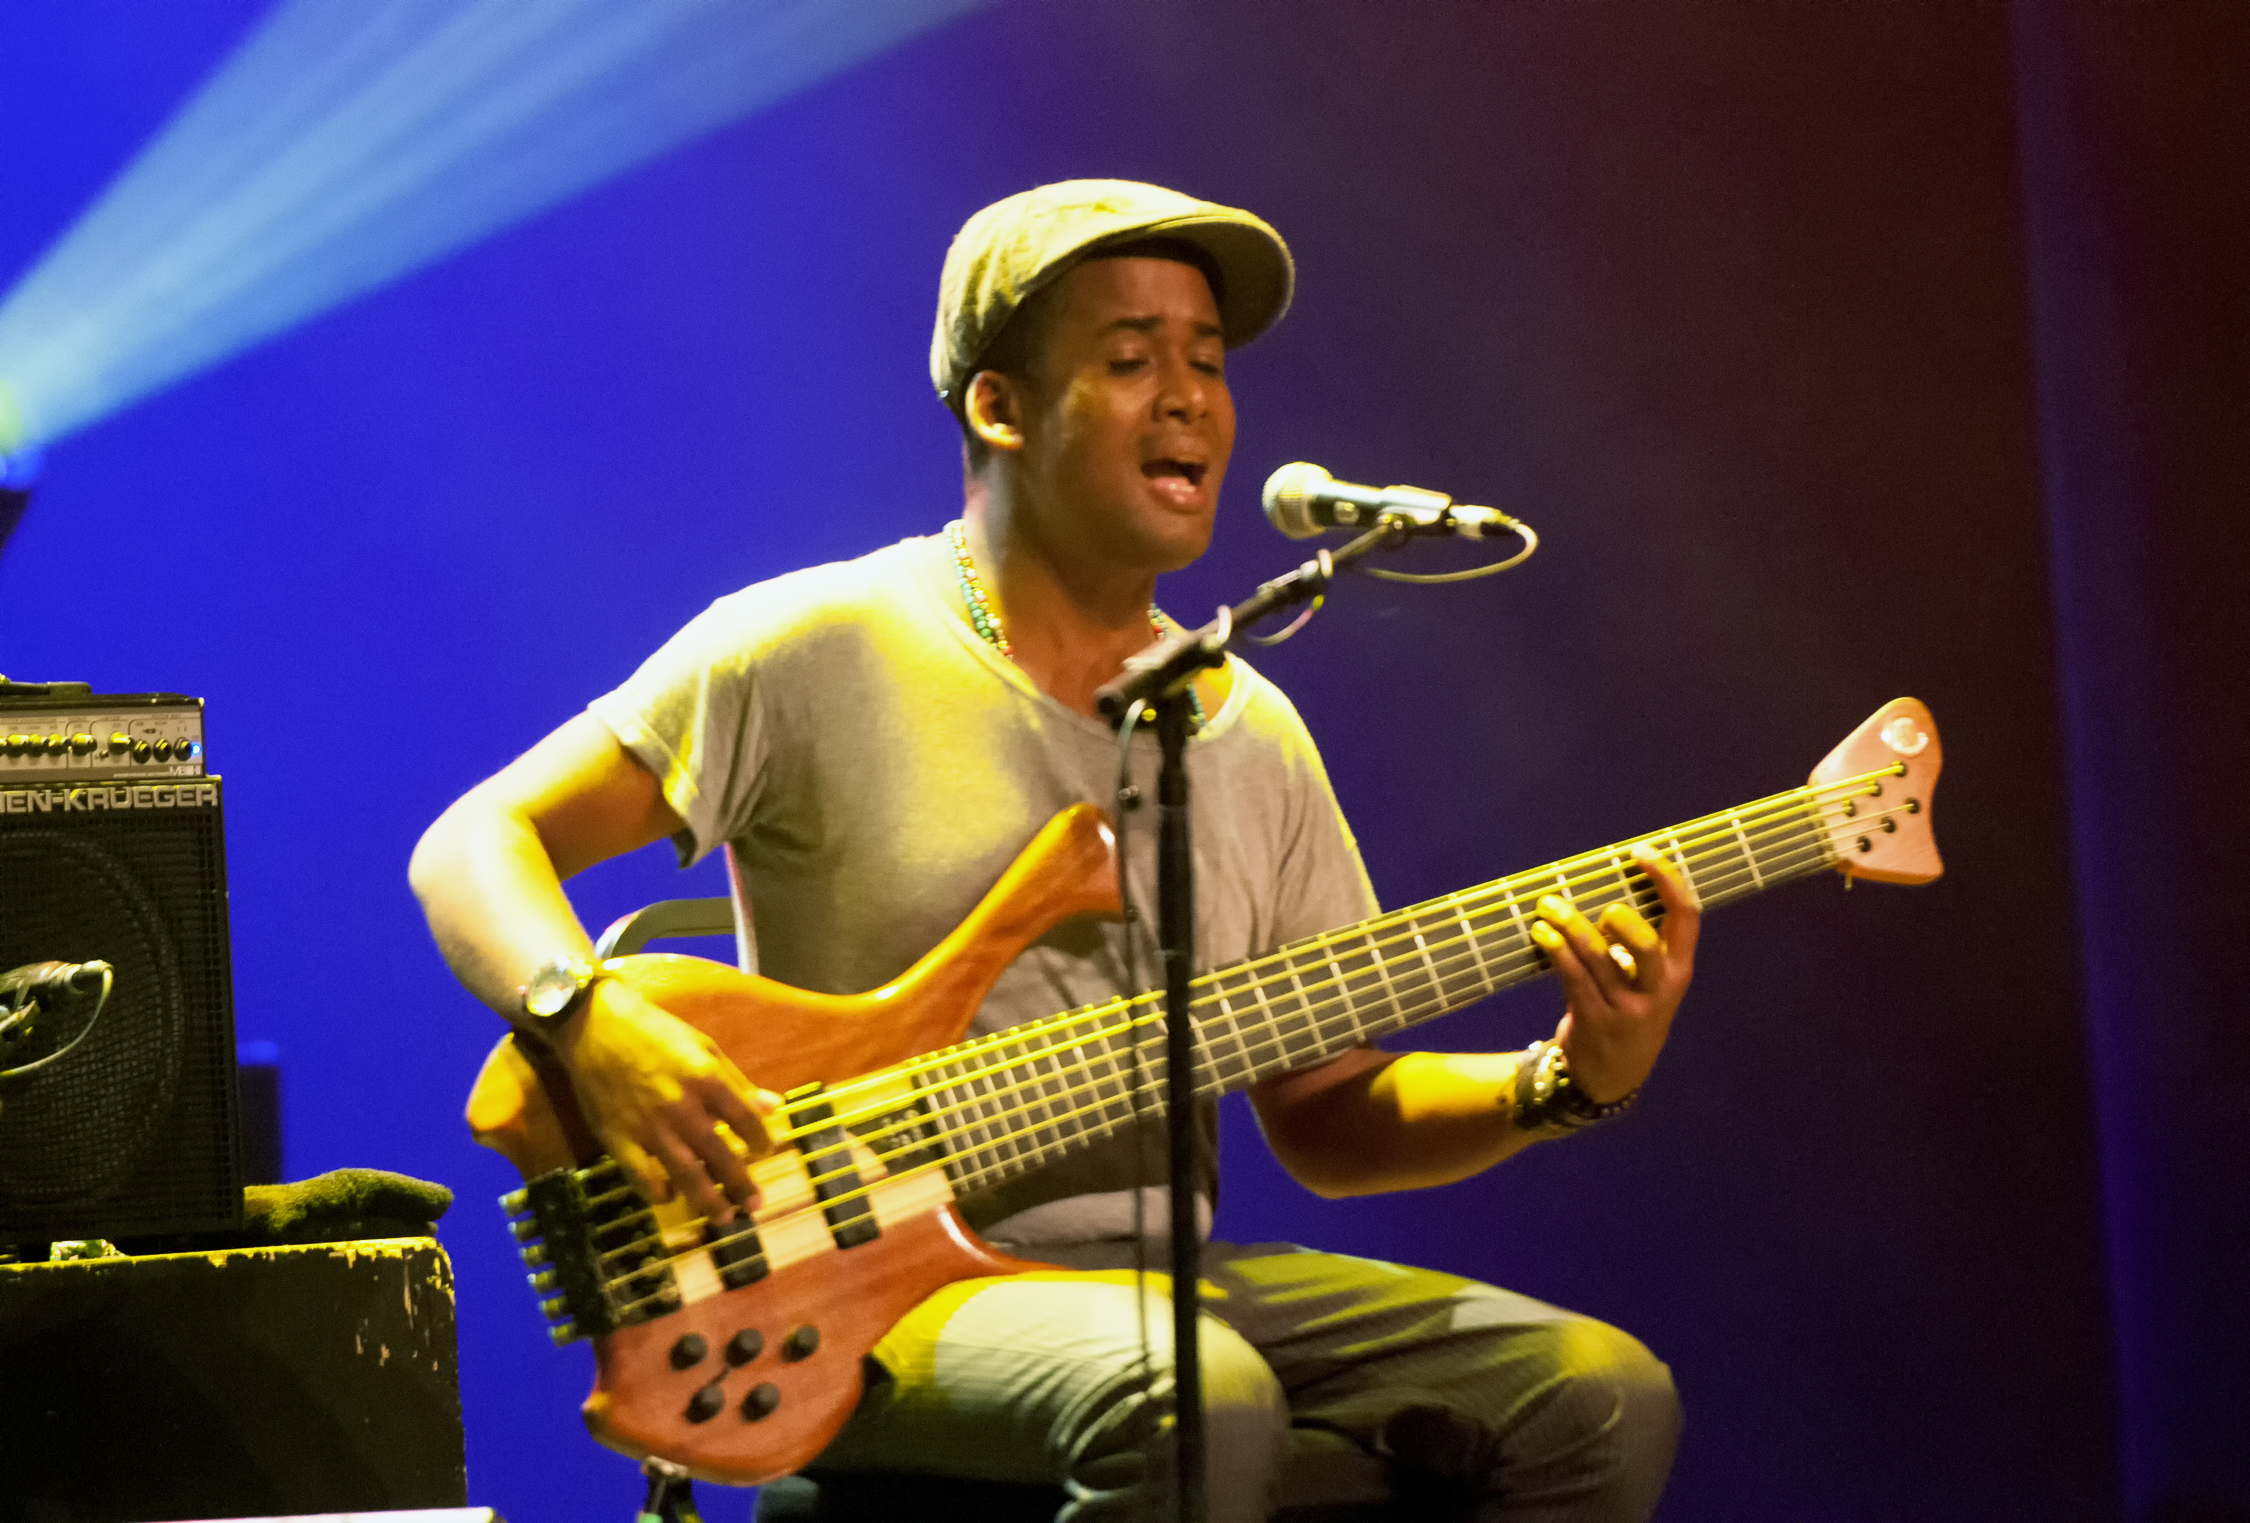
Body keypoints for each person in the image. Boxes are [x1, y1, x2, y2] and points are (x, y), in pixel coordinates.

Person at [411, 179, 1700, 1523]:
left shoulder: (1245, 731)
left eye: (1207, 361)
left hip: (1149, 1287)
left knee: (1595, 1395)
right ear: (999, 406)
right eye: (1131, 359)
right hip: (858, 1283)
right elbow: (471, 845)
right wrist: (587, 1015)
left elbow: (1326, 1112)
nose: (1191, 397)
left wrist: (1560, 1080)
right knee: (1198, 1402)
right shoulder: (811, 644)